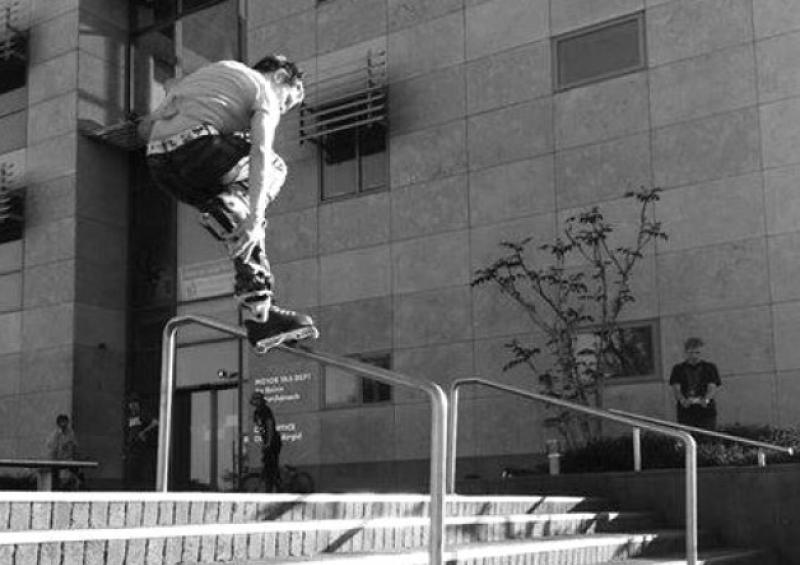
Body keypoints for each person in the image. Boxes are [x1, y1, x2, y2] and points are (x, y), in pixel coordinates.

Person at [142, 54, 319, 352]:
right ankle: (232, 210)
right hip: (198, 147)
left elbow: (147, 128)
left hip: (160, 164)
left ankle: (260, 313)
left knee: (230, 217)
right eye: (287, 102)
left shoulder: (212, 74)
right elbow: (261, 151)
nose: (283, 110)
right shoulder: (262, 88)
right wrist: (256, 217)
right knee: (272, 172)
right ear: (278, 77)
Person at [669, 337, 722, 430]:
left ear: (702, 353)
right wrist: (683, 400)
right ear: (685, 353)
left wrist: (706, 399)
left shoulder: (710, 367)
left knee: (707, 437)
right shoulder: (678, 369)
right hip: (686, 411)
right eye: (690, 353)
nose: (694, 356)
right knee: (688, 438)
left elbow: (712, 386)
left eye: (697, 353)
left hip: (706, 410)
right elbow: (676, 388)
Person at [250, 391, 282, 492]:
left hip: (273, 441)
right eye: (254, 400)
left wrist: (268, 442)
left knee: (270, 465)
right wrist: (264, 443)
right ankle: (277, 483)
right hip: (267, 442)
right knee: (267, 463)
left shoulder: (265, 410)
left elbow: (270, 426)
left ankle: (273, 486)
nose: (255, 402)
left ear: (261, 401)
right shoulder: (256, 413)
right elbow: (260, 429)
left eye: (257, 399)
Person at [125, 394, 159, 489]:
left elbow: (155, 422)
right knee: (131, 471)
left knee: (141, 471)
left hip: (141, 449)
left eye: (134, 404)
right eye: (131, 404)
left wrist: (143, 432)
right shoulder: (129, 417)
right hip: (131, 448)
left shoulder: (143, 414)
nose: (132, 406)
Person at [45, 414, 80, 489]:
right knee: (56, 478)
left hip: (69, 461)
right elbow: (52, 449)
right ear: (58, 423)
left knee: (74, 476)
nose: (64, 424)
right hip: (57, 461)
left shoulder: (71, 433)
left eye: (65, 422)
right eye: (62, 422)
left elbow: (74, 446)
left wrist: (75, 457)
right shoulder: (55, 435)